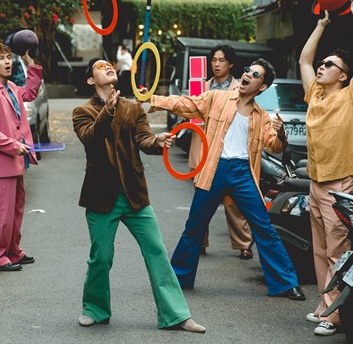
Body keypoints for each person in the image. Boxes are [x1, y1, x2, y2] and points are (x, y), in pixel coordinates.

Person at [147, 59, 305, 300]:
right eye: (247, 70)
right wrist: (154, 99)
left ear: (262, 87)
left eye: (255, 75)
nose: (247, 75)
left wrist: (281, 132)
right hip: (215, 168)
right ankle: (179, 279)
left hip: (243, 173)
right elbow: (186, 104)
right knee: (195, 226)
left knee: (264, 228)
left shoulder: (262, 116)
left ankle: (285, 283)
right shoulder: (216, 98)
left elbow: (274, 146)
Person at [72, 58, 205, 333]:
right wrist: (106, 112)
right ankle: (94, 309)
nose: (108, 67)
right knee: (101, 257)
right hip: (100, 196)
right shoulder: (82, 111)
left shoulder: (133, 107)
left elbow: (143, 139)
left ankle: (176, 315)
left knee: (156, 251)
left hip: (134, 194)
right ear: (90, 80)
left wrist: (158, 140)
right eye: (100, 66)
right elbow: (90, 138)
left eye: (110, 64)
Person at [298, 4, 353, 337]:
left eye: (330, 64)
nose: (322, 66)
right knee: (320, 249)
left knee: (338, 251)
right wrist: (321, 25)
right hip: (317, 182)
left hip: (341, 183)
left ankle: (336, 314)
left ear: (343, 75)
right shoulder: (315, 95)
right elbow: (304, 60)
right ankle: (324, 304)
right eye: (323, 63)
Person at [0, 42, 41, 271]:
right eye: (1, 58)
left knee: (16, 210)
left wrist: (31, 65)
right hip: (2, 162)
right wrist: (14, 146)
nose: (7, 62)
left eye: (8, 58)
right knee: (2, 213)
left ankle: (13, 251)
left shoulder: (11, 87)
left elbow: (30, 93)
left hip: (16, 160)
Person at [194, 45, 254, 260]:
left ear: (230, 64)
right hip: (204, 148)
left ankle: (244, 244)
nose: (217, 64)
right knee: (201, 200)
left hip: (230, 150)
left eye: (221, 60)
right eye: (213, 60)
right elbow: (189, 111)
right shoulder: (200, 86)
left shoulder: (240, 87)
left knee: (234, 203)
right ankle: (199, 242)